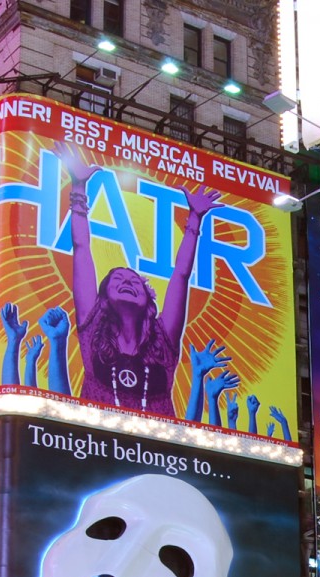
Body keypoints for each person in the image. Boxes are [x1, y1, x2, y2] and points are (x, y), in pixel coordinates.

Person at [58, 140, 220, 416]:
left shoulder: (163, 336)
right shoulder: (92, 325)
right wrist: (78, 188)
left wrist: (195, 220)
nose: (127, 281)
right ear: (104, 297)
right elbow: (82, 248)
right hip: (91, 445)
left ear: (148, 301)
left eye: (135, 282)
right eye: (118, 279)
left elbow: (181, 275)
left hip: (160, 452)